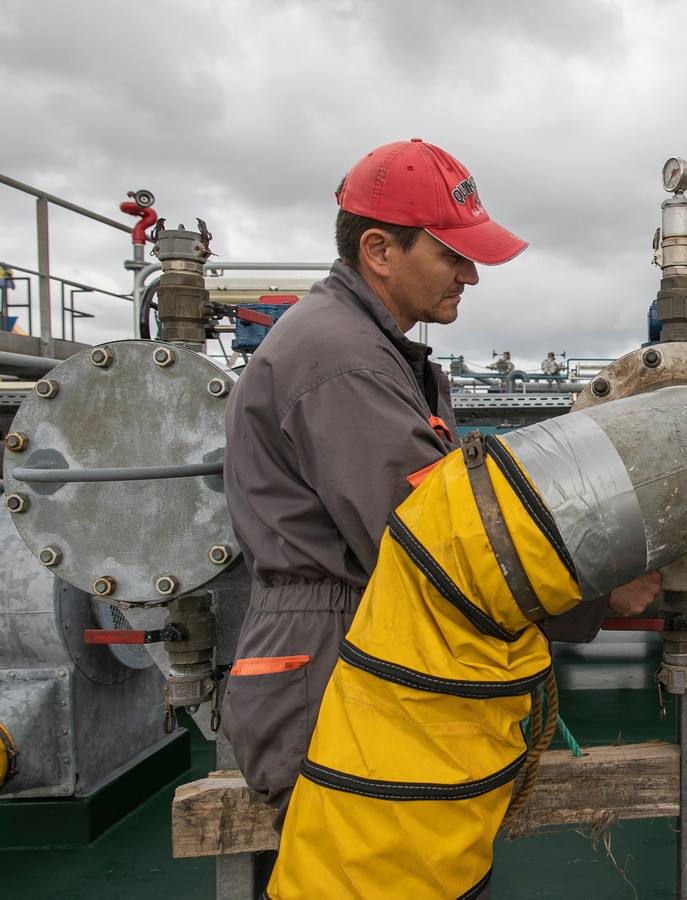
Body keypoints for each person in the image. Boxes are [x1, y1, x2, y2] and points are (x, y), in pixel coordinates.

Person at [222, 138, 659, 826]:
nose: (471, 276)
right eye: (452, 255)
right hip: (340, 681)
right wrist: (599, 591)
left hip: (361, 663)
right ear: (379, 251)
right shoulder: (343, 361)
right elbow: (443, 550)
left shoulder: (372, 350)